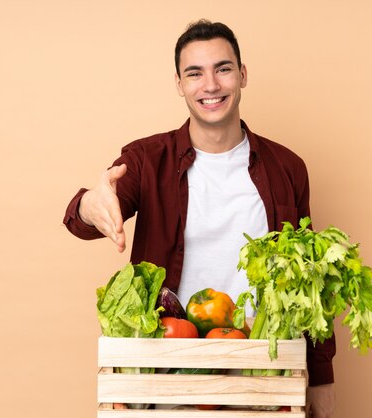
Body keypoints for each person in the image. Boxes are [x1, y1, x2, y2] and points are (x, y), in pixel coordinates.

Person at [63, 19, 336, 417]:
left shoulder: (287, 167)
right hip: (171, 368)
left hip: (264, 372)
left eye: (222, 69)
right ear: (179, 83)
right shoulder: (145, 159)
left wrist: (323, 380)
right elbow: (87, 217)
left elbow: (312, 283)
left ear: (242, 75)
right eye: (195, 73)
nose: (210, 85)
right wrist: (89, 204)